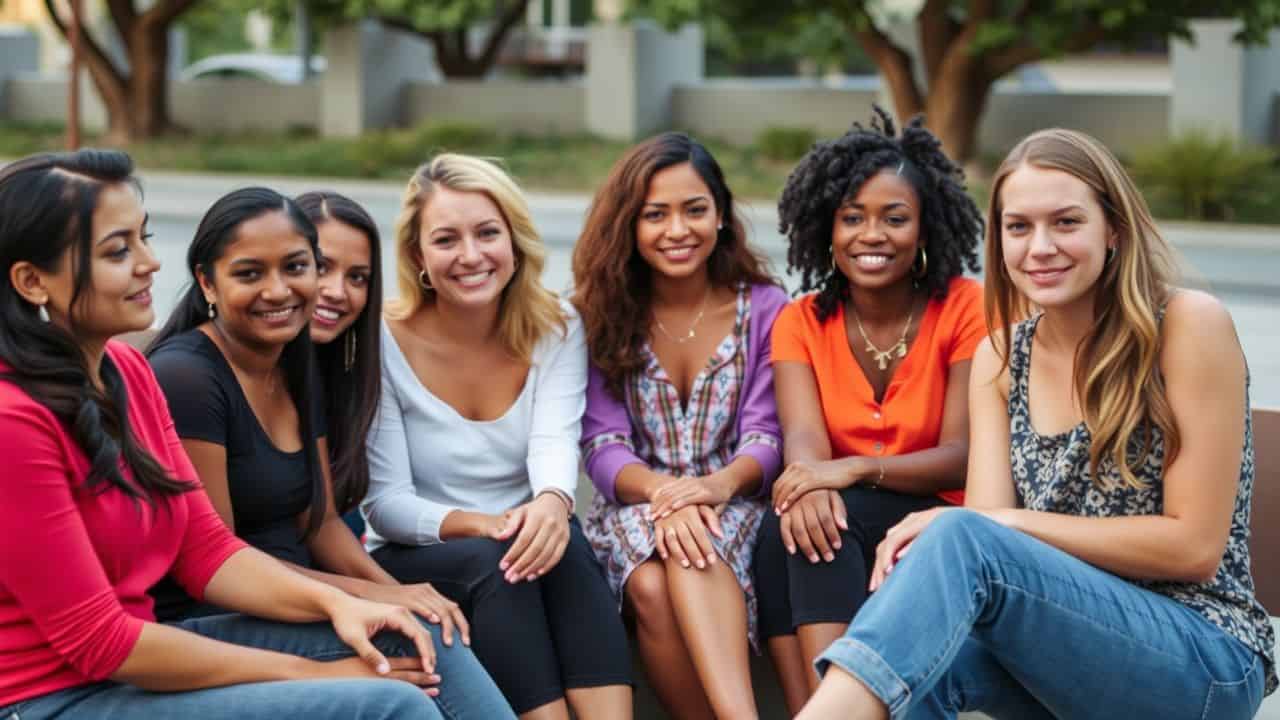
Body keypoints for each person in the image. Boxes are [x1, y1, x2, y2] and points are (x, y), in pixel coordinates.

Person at [796, 129, 1277, 720]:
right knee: (920, 671)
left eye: (1067, 222)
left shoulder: (1184, 325)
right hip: (1063, 648)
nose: (1040, 247)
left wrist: (997, 524)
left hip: (1201, 658)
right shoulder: (1001, 357)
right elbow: (988, 550)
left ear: (1114, 230)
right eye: (1018, 227)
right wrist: (981, 530)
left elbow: (1195, 548)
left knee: (960, 534)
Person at [0, 149, 448, 720]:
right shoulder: (13, 420)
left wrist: (341, 602)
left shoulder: (129, 373)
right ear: (32, 281)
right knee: (386, 703)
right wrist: (311, 674)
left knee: (411, 639)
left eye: (144, 238)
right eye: (118, 251)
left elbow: (205, 549)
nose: (151, 263)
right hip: (53, 698)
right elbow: (101, 642)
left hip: (132, 668)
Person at [145, 186, 512, 718]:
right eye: (249, 274)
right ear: (207, 282)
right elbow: (217, 563)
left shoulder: (291, 362)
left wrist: (399, 592)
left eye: (296, 267)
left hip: (297, 600)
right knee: (419, 644)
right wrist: (367, 600)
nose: (278, 290)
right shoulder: (189, 378)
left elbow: (318, 522)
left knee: (430, 622)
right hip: (208, 621)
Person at [362, 154, 633, 720]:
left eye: (487, 233)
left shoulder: (556, 325)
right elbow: (386, 505)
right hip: (417, 552)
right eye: (446, 239)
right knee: (501, 558)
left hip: (517, 542)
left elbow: (553, 442)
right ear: (418, 257)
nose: (471, 255)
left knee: (567, 546)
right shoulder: (382, 341)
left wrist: (554, 504)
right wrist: (485, 523)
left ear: (514, 240)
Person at [752, 108, 985, 713]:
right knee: (791, 530)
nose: (871, 235)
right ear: (825, 230)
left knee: (824, 522)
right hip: (847, 521)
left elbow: (962, 459)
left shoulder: (966, 308)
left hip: (942, 528)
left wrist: (849, 469)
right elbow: (804, 437)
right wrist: (811, 483)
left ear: (926, 228)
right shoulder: (801, 320)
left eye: (894, 218)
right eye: (851, 218)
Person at [571, 132, 785, 720]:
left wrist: (711, 491)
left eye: (695, 209)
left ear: (721, 216)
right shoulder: (598, 312)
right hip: (635, 503)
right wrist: (669, 494)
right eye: (655, 214)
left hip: (735, 502)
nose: (677, 230)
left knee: (689, 550)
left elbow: (766, 438)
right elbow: (603, 446)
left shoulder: (765, 307)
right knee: (648, 582)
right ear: (629, 225)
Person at [295, 191, 383, 538]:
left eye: (357, 277)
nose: (337, 291)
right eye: (321, 267)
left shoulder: (338, 378)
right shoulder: (207, 373)